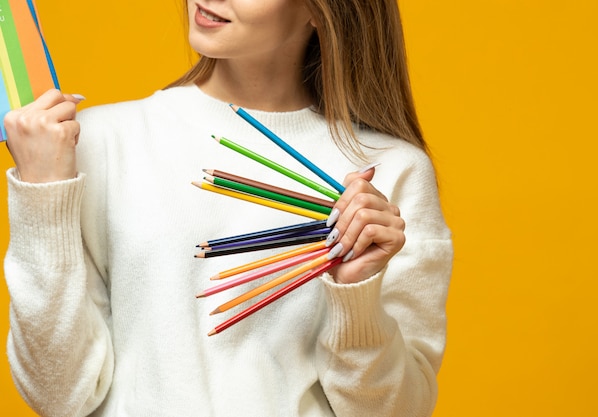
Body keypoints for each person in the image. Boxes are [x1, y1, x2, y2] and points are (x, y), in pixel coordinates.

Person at [2, 0, 453, 416]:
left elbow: (398, 411)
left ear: (320, 9)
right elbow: (58, 395)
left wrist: (357, 295)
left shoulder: (391, 172)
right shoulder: (88, 145)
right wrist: (43, 194)